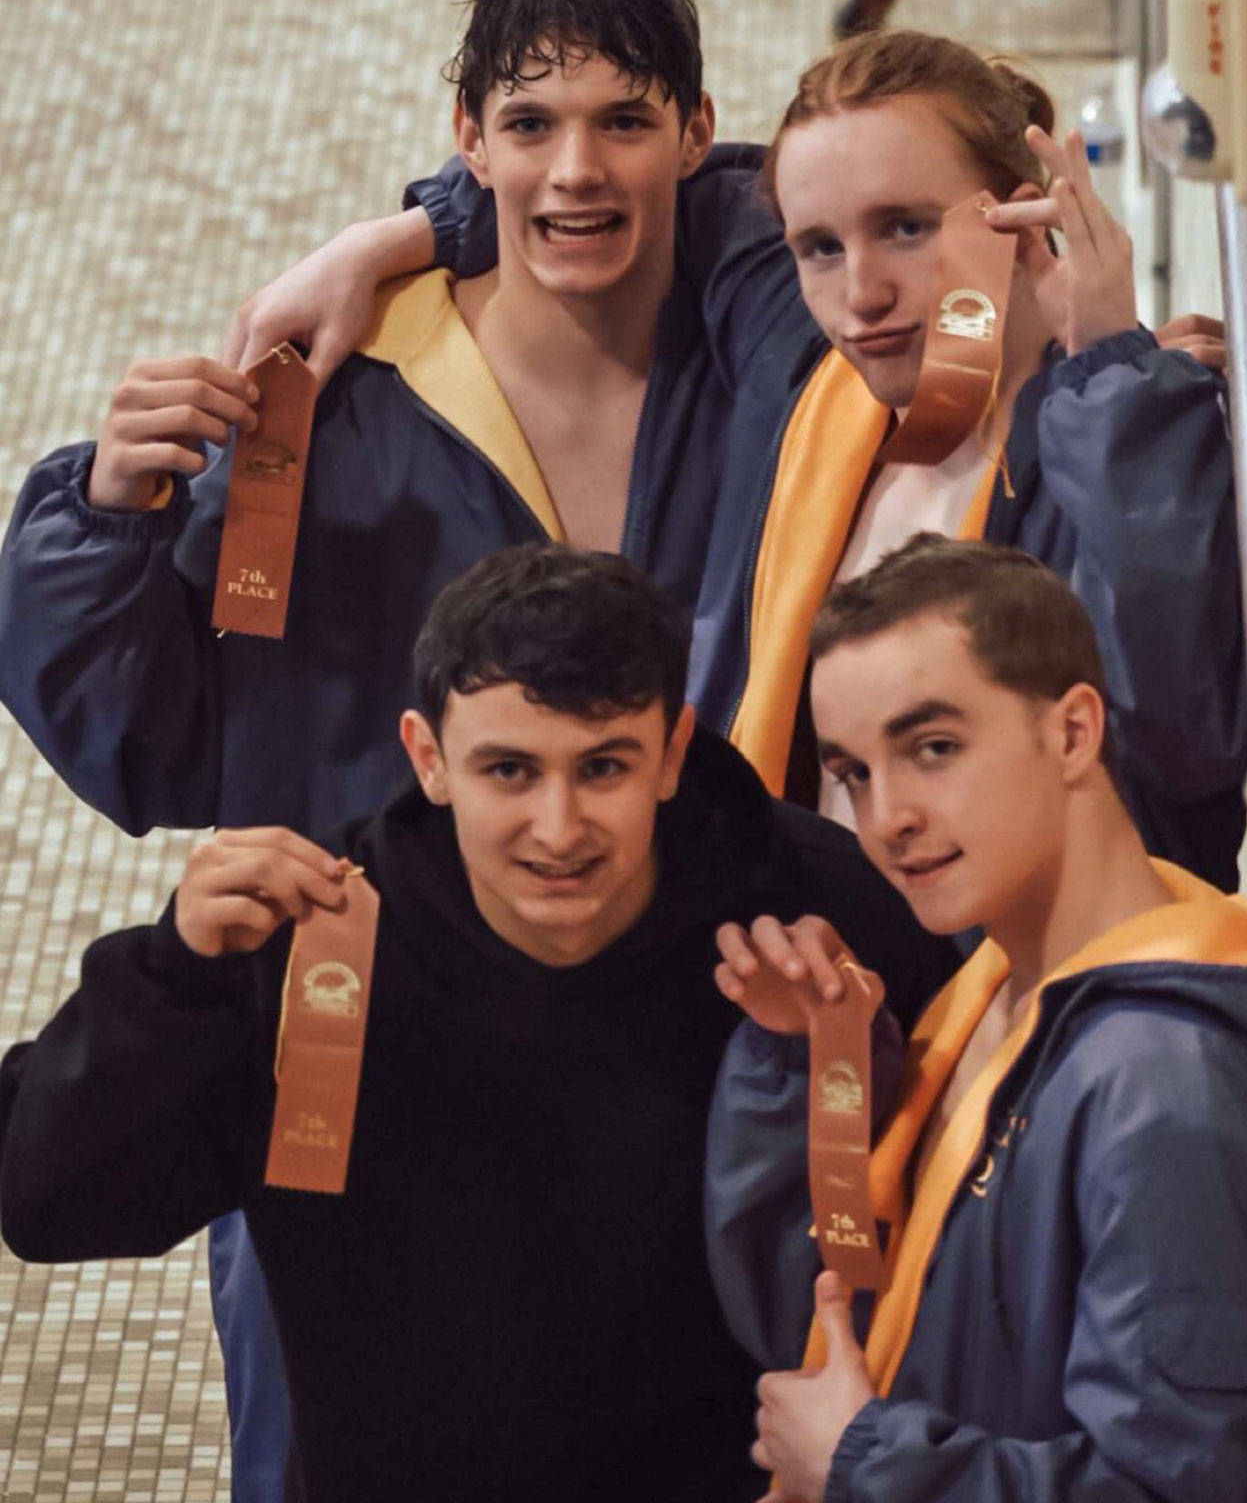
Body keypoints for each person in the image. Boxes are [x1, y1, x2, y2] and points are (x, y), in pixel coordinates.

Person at [0, 0, 755, 1498]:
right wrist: (105, 517)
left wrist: (420, 221)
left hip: (686, 1041)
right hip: (370, 1066)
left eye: (624, 120)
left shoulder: (765, 365)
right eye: (529, 125)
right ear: (467, 130)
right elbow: (148, 741)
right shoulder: (338, 404)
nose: (576, 170)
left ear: (693, 131)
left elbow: (840, 183)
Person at [0, 545, 954, 1503]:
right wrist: (172, 978)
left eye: (603, 767)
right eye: (509, 770)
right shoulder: (308, 945)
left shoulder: (823, 918)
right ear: (429, 759)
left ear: (671, 752)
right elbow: (51, 1205)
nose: (559, 828)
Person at [236, 30, 1247, 890]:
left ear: (1027, 217)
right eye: (818, 247)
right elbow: (647, 185)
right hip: (808, 984)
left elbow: (1189, 743)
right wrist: (389, 240)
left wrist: (1114, 373)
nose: (861, 293)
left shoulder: (1126, 449)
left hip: (1031, 1011)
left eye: (905, 228)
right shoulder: (811, 396)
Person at [711, 534, 1247, 1502]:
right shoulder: (984, 999)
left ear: (1073, 731)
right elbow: (824, 1324)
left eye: (932, 748)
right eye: (854, 773)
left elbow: (1177, 1486)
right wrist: (814, 1065)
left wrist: (865, 1462)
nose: (886, 816)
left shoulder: (1162, 1073)